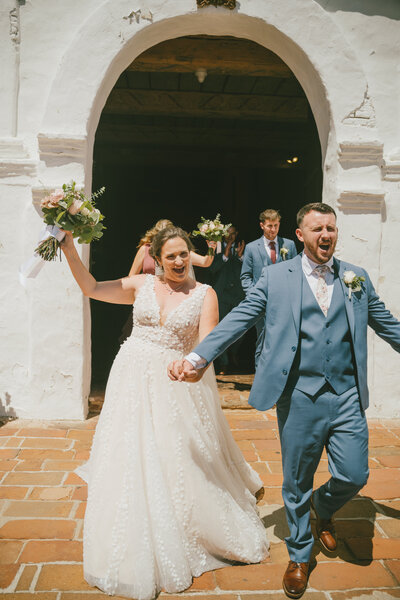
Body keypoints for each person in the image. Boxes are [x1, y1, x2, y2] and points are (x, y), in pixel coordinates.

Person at [168, 203, 400, 599]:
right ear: (301, 235)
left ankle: (323, 509)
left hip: (345, 393)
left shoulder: (354, 278)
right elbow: (241, 317)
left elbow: (387, 322)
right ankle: (299, 553)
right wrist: (197, 356)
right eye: (317, 229)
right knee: (296, 481)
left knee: (354, 475)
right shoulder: (276, 277)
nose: (326, 234)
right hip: (299, 394)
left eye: (331, 227)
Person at [60, 226, 268, 600]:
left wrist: (193, 367)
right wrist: (69, 247)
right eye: (170, 255)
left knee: (174, 452)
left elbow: (208, 344)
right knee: (130, 448)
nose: (178, 261)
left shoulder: (205, 294)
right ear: (156, 256)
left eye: (184, 254)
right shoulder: (140, 285)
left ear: (191, 254)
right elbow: (90, 288)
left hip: (176, 383)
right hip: (131, 375)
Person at [241, 209, 297, 366]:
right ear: (262, 225)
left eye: (276, 225)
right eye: (270, 226)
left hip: (285, 303)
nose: (273, 230)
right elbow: (245, 277)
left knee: (284, 340)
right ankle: (260, 377)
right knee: (263, 341)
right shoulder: (252, 248)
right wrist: (255, 297)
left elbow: (295, 272)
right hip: (262, 303)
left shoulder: (289, 245)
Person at [208, 225, 245, 374]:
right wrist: (226, 254)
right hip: (221, 294)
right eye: (228, 234)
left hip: (237, 294)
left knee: (240, 328)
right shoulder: (215, 248)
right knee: (221, 327)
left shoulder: (243, 248)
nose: (230, 237)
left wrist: (240, 257)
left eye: (233, 234)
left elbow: (247, 270)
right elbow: (212, 269)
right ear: (223, 235)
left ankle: (234, 352)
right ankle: (224, 362)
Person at [129, 218, 216, 276]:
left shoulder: (179, 250)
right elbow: (131, 276)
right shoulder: (145, 249)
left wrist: (211, 248)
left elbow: (205, 262)